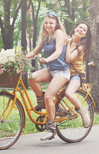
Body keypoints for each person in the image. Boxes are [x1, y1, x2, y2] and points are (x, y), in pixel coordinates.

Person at [26, 11, 70, 141]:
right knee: (32, 78)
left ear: (56, 23)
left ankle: (51, 130)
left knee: (49, 96)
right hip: (51, 70)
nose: (48, 25)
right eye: (46, 23)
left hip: (62, 71)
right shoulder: (46, 36)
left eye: (51, 23)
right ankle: (42, 103)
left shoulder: (59, 33)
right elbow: (35, 51)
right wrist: (20, 58)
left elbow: (58, 52)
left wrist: (47, 60)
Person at [63, 21, 92, 128]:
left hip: (75, 75)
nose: (81, 30)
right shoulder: (67, 39)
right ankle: (61, 110)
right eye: (80, 27)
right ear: (75, 28)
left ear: (85, 35)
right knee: (50, 93)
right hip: (63, 74)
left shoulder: (81, 47)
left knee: (69, 93)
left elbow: (68, 59)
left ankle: (82, 111)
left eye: (84, 30)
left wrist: (68, 44)